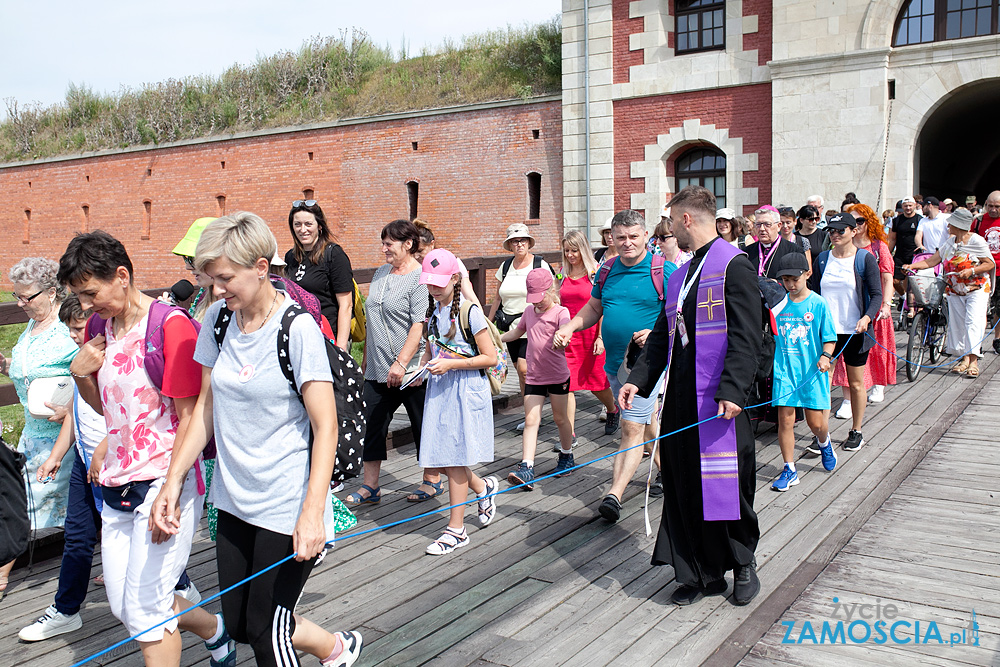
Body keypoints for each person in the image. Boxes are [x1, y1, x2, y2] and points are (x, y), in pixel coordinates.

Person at [148, 213, 363, 667]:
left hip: (287, 504)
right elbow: (205, 409)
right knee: (242, 624)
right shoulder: (218, 322)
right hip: (233, 499)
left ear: (261, 267)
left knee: (268, 633)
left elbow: (326, 426)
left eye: (225, 278)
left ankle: (328, 648)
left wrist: (311, 513)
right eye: (211, 279)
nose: (217, 290)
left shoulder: (296, 328)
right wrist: (172, 481)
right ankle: (337, 648)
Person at [58, 231, 230, 667]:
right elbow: (110, 407)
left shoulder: (171, 328)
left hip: (163, 479)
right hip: (117, 479)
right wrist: (80, 375)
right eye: (79, 296)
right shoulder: (100, 326)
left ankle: (212, 635)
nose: (86, 306)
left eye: (90, 293)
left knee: (148, 610)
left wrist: (171, 487)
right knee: (124, 607)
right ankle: (215, 630)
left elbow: (192, 417)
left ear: (121, 276)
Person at [621, 185, 762, 606]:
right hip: (682, 399)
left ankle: (742, 563)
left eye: (670, 221)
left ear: (686, 219)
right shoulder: (681, 274)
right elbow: (665, 334)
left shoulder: (733, 265)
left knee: (727, 485)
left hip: (719, 399)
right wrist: (639, 378)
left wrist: (734, 389)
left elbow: (746, 335)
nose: (667, 232)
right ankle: (700, 570)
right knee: (684, 483)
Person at [554, 209, 677, 523]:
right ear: (612, 238)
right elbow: (595, 307)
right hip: (614, 365)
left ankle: (615, 493)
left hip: (646, 365)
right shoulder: (607, 269)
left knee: (630, 427)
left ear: (646, 237)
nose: (627, 243)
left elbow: (682, 315)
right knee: (646, 421)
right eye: (620, 237)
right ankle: (669, 470)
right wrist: (570, 327)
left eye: (633, 236)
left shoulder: (666, 269)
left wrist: (657, 332)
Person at [0, 258, 79, 595]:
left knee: (23, 504)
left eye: (26, 298)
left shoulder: (68, 327)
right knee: (20, 499)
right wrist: (5, 366)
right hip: (31, 435)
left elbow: (93, 373)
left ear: (50, 291)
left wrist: (73, 409)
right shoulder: (31, 327)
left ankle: (2, 574)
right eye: (16, 298)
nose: (20, 304)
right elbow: (27, 374)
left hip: (62, 436)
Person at [415, 248, 499, 555]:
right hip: (441, 388)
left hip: (463, 388)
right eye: (430, 282)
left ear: (454, 279)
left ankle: (456, 529)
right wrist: (422, 368)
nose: (434, 287)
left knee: (453, 456)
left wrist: (450, 364)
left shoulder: (470, 311)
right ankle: (483, 488)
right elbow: (431, 349)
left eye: (439, 282)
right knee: (446, 456)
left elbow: (489, 357)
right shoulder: (434, 311)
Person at [348, 219, 438, 505]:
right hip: (376, 367)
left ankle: (431, 481)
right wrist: (366, 362)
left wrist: (401, 362)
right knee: (371, 424)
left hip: (409, 369)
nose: (384, 248)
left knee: (422, 423)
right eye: (383, 242)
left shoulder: (421, 277)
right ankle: (370, 486)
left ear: (408, 244)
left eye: (389, 243)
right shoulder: (380, 273)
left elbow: (418, 324)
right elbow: (373, 319)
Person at [809, 214, 883, 453]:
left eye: (841, 230)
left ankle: (857, 430)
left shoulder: (865, 259)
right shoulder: (822, 259)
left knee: (855, 383)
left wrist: (867, 316)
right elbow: (815, 292)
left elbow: (877, 294)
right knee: (823, 382)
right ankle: (822, 433)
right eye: (832, 231)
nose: (835, 235)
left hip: (855, 330)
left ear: (853, 231)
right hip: (827, 332)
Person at [769, 253, 838, 492]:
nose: (790, 284)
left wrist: (825, 356)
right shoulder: (779, 304)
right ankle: (789, 469)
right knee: (785, 420)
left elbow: (830, 338)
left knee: (816, 423)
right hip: (785, 372)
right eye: (785, 280)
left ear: (807, 274)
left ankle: (824, 442)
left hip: (811, 372)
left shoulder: (818, 304)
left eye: (794, 279)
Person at [501, 268, 574, 488]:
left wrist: (563, 337)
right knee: (531, 421)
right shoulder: (529, 312)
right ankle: (527, 466)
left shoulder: (561, 312)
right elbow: (516, 332)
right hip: (534, 375)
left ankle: (566, 454)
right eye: (533, 299)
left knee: (561, 419)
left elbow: (565, 329)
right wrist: (495, 338)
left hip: (557, 374)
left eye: (540, 298)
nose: (537, 304)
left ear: (551, 290)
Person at [904, 208, 995, 378]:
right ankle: (964, 359)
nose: (947, 226)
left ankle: (973, 360)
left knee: (973, 322)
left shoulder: (977, 241)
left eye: (950, 224)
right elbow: (932, 261)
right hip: (954, 289)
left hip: (976, 288)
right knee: (958, 325)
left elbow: (989, 264)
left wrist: (972, 270)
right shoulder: (950, 242)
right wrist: (912, 266)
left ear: (959, 225)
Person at [831, 204, 896, 411]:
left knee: (875, 350)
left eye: (860, 221)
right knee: (846, 355)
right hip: (850, 308)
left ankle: (877, 383)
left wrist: (886, 305)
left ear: (868, 223)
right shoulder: (837, 249)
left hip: (873, 307)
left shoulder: (878, 247)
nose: (857, 225)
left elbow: (887, 278)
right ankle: (848, 399)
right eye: (853, 221)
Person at [488, 223, 555, 400]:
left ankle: (535, 409)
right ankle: (529, 412)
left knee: (524, 369)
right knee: (521, 370)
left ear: (529, 243)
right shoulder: (505, 266)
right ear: (510, 245)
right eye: (515, 241)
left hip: (533, 324)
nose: (519, 244)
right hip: (511, 327)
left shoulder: (539, 264)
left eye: (523, 240)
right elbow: (497, 299)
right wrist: (488, 325)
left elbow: (552, 294)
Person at [559, 230, 618, 427]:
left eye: (574, 250)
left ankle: (612, 409)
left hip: (591, 335)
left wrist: (600, 337)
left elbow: (602, 306)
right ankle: (569, 436)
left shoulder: (596, 272)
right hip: (569, 336)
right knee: (567, 385)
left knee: (597, 384)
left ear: (582, 249)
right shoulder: (562, 274)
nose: (570, 255)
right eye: (567, 250)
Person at [283, 200, 355, 350]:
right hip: (301, 336)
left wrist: (341, 348)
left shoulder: (333, 254)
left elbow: (346, 305)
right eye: (297, 224)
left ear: (319, 226)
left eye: (308, 224)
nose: (303, 229)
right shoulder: (291, 257)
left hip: (328, 338)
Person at [412, 218, 480, 306]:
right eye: (412, 251)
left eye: (420, 251)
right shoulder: (413, 266)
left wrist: (479, 317)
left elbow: (470, 297)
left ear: (432, 244)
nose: (416, 256)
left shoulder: (451, 262)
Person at [172, 217, 219, 321]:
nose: (187, 267)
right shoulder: (204, 295)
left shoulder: (237, 306)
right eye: (186, 258)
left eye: (193, 259)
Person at [972, 191, 1000, 353]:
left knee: (999, 308)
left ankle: (997, 338)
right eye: (990, 206)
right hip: (982, 270)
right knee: (979, 308)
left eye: (997, 207)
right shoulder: (978, 222)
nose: (993, 209)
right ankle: (976, 343)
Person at [746, 206, 806, 280]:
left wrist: (777, 284)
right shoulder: (747, 252)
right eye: (758, 224)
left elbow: (802, 281)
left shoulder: (794, 251)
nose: (761, 229)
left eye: (767, 224)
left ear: (778, 226)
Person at [889, 195, 923, 312]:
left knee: (912, 281)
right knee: (895, 281)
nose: (908, 208)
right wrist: (888, 252)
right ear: (902, 207)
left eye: (910, 206)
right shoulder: (896, 220)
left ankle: (914, 305)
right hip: (900, 254)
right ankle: (904, 297)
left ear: (914, 206)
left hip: (915, 255)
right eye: (905, 206)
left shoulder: (920, 219)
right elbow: (892, 239)